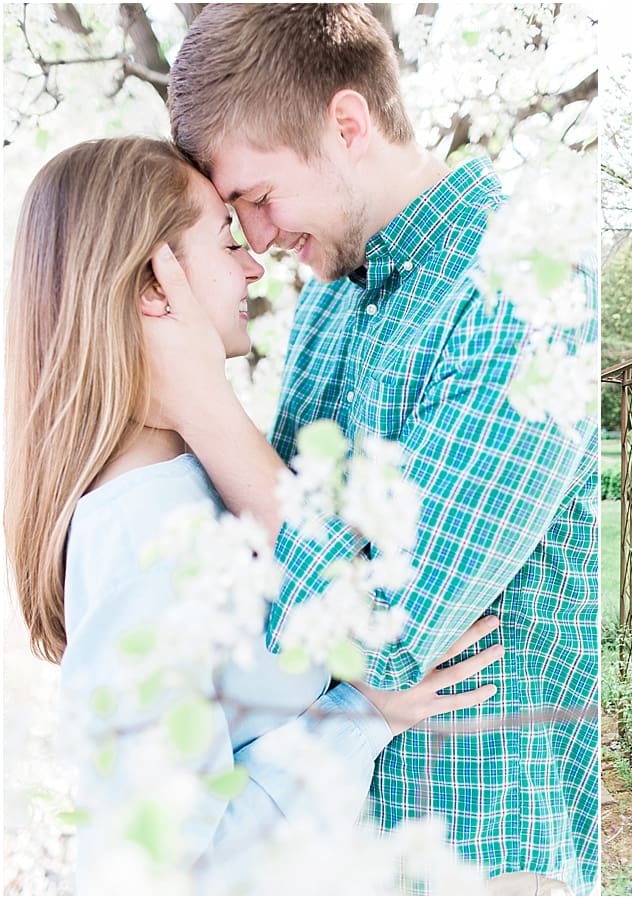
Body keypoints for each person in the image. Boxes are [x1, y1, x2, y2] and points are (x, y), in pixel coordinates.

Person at [149, 4, 598, 891]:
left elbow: (389, 633)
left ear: (347, 125)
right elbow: (281, 591)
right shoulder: (329, 297)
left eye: (259, 197)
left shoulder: (527, 295)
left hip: (483, 859)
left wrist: (204, 408)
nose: (261, 239)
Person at [3, 137, 503, 891]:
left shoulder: (201, 483)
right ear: (154, 283)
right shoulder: (144, 534)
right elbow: (159, 871)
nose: (254, 264)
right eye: (225, 240)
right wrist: (362, 713)